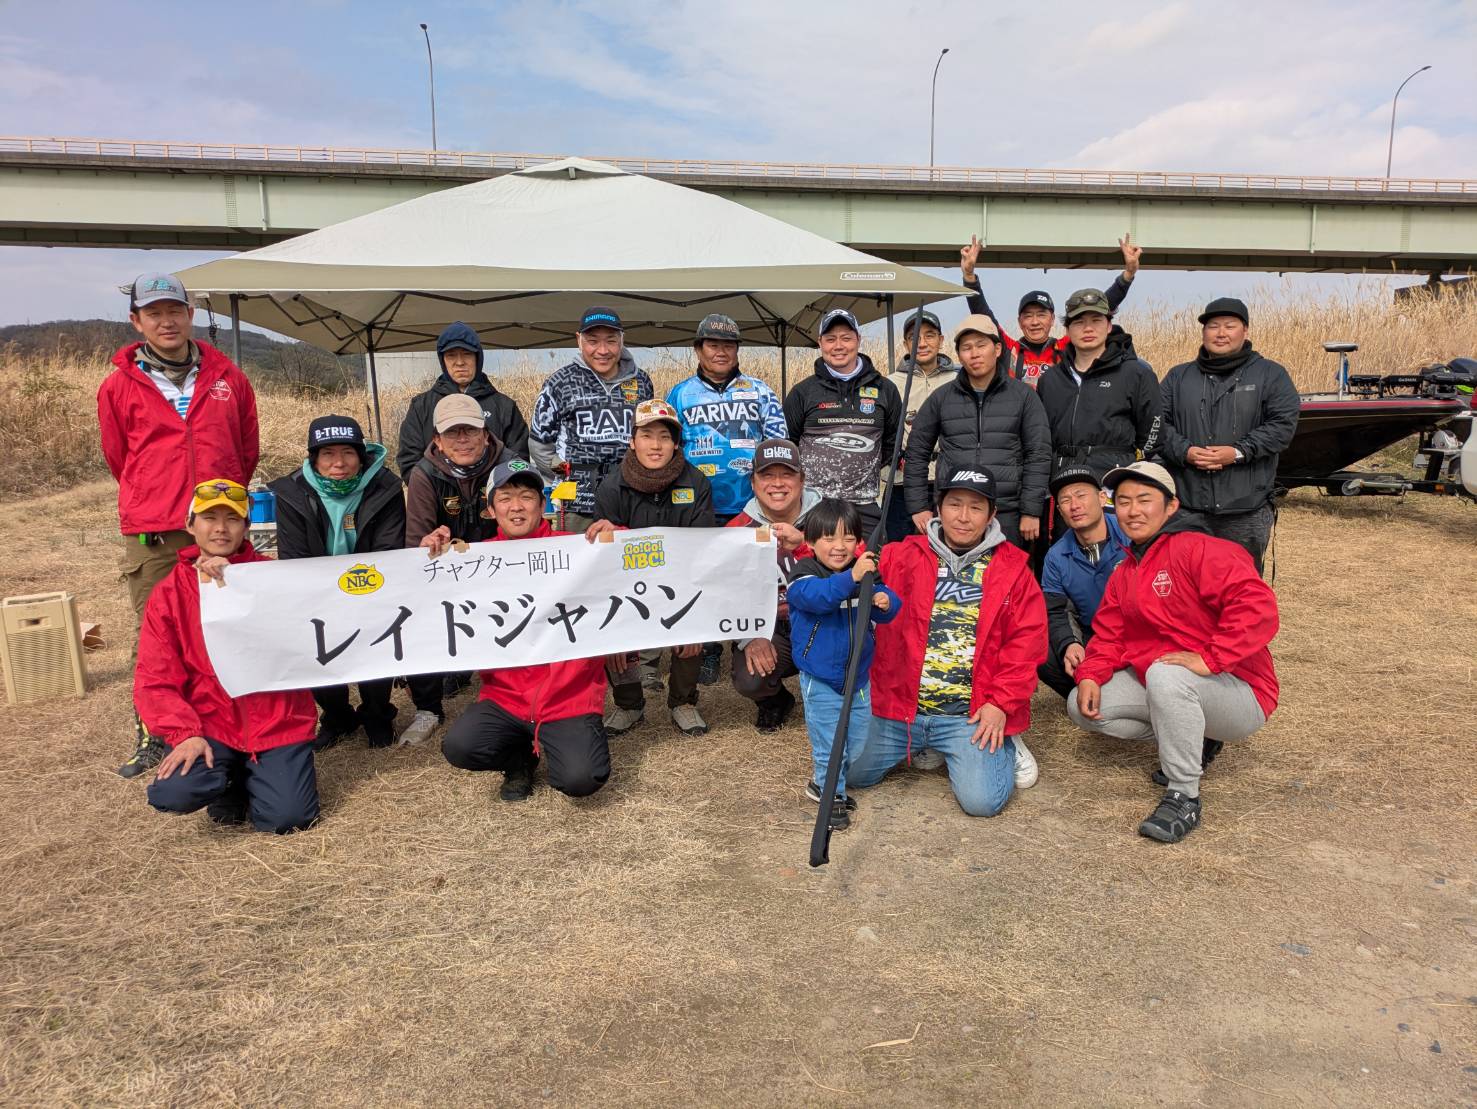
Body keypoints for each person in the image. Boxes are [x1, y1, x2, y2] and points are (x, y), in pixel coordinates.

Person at [99, 272, 260, 779]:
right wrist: (157, 496)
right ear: (136, 321)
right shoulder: (119, 385)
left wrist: (218, 513)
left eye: (174, 310)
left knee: (228, 620)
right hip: (155, 531)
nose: (166, 321)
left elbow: (245, 449)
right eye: (153, 313)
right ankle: (156, 733)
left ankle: (236, 720)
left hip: (219, 525)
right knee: (155, 631)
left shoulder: (227, 378)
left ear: (190, 315)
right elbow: (118, 457)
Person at [1069, 462, 1280, 844]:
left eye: (1145, 500)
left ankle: (1184, 794)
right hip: (1175, 684)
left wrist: (1212, 658)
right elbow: (1109, 636)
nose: (1133, 510)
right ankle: (1192, 735)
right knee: (1082, 706)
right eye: (1125, 501)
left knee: (1165, 675)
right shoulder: (1126, 569)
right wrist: (1090, 673)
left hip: (1240, 690)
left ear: (1171, 507)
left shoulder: (1204, 549)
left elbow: (1257, 608)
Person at [850, 466, 1048, 816]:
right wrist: (801, 545)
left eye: (976, 507)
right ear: (939, 508)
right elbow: (844, 558)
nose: (964, 517)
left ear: (991, 515)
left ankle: (1006, 739)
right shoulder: (900, 554)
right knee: (849, 773)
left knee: (981, 803)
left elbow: (1027, 644)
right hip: (899, 710)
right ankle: (926, 746)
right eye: (955, 504)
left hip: (968, 715)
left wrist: (1001, 703)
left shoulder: (1013, 569)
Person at [139, 479, 319, 834]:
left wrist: (238, 581)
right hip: (211, 722)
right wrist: (185, 733)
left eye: (233, 519)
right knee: (175, 792)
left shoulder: (272, 578)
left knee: (288, 819)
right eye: (209, 517)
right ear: (190, 525)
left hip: (276, 719)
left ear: (247, 527)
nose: (221, 528)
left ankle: (257, 775)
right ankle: (228, 779)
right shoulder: (169, 594)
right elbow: (154, 679)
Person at [437, 460, 611, 801]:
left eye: (527, 496)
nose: (516, 506)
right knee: (460, 747)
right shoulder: (473, 561)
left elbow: (632, 568)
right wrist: (429, 553)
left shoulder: (577, 549)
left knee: (582, 779)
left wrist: (615, 534)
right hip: (505, 697)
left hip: (569, 698)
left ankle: (568, 742)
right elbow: (422, 596)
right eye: (505, 498)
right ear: (490, 510)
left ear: (542, 505)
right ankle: (519, 761)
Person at [270, 416, 406, 750]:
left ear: (361, 456)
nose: (339, 463)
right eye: (328, 453)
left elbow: (389, 547)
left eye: (348, 452)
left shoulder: (386, 487)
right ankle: (337, 716)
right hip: (317, 591)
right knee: (318, 650)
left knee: (377, 643)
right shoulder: (290, 492)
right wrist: (323, 593)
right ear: (313, 458)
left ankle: (377, 715)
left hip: (371, 584)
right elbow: (294, 556)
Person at [666, 313, 788, 684]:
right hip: (699, 505)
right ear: (698, 349)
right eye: (713, 345)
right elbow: (671, 449)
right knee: (703, 577)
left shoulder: (759, 391)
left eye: (729, 345)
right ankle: (708, 648)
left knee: (750, 578)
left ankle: (748, 638)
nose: (721, 352)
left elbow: (779, 444)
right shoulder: (680, 393)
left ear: (737, 350)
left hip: (749, 505)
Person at [585, 400, 716, 737]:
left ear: (676, 443)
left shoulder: (696, 483)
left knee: (692, 631)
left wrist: (693, 619)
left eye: (664, 437)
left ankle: (683, 701)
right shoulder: (612, 487)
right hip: (628, 585)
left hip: (681, 580)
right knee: (612, 636)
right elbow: (605, 562)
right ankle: (629, 704)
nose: (655, 445)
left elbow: (701, 549)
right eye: (646, 436)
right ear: (632, 441)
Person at [1157, 297, 1300, 574]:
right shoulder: (1178, 377)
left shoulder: (1271, 374)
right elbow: (1156, 425)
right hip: (1187, 508)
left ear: (1245, 331)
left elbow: (1282, 426)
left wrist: (1237, 452)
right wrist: (1184, 450)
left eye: (1229, 326)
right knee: (1185, 584)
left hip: (1246, 509)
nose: (1221, 333)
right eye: (1213, 326)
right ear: (1203, 332)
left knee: (1240, 586)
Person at [786, 499, 901, 832]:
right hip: (821, 678)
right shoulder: (803, 574)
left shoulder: (865, 571)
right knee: (829, 742)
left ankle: (826, 784)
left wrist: (884, 600)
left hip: (859, 677)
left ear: (858, 542)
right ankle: (830, 794)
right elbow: (817, 598)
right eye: (829, 538)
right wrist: (852, 576)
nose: (839, 547)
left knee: (856, 739)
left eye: (848, 538)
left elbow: (889, 606)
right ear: (809, 542)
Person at [401, 393, 509, 746]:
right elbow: (414, 544)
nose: (462, 440)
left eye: (470, 431)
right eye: (452, 433)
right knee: (419, 614)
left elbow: (526, 521)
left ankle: (515, 694)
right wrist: (429, 542)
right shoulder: (424, 474)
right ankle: (427, 708)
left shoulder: (510, 464)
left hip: (500, 564)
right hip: (447, 570)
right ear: (437, 440)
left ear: (486, 434)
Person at [902, 314, 1051, 549]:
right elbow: (916, 453)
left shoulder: (1024, 397)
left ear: (998, 349)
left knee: (1004, 582)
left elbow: (1039, 454)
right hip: (952, 514)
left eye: (981, 345)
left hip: (1006, 512)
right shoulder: (942, 398)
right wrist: (919, 507)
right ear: (959, 354)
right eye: (966, 347)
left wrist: (1031, 510)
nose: (974, 353)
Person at [959, 234, 1142, 389]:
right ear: (1019, 321)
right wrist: (969, 277)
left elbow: (1099, 309)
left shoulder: (1067, 347)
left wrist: (1127, 276)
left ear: (1052, 319)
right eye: (1028, 316)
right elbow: (983, 316)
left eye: (1041, 315)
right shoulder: (1009, 350)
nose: (1035, 322)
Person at [726, 439, 822, 732]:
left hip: (823, 622)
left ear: (802, 480)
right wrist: (750, 637)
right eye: (767, 475)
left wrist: (805, 543)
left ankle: (833, 703)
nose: (777, 484)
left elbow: (857, 563)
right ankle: (775, 700)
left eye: (787, 474)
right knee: (750, 678)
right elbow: (725, 595)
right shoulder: (735, 529)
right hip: (772, 627)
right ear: (753, 483)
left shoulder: (829, 516)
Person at [529, 307, 654, 532]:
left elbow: (650, 436)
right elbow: (539, 443)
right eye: (593, 341)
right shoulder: (559, 382)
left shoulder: (642, 382)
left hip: (630, 494)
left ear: (622, 340)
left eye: (611, 341)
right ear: (579, 340)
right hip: (577, 502)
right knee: (579, 562)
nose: (603, 350)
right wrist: (565, 473)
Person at [783, 307, 903, 540]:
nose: (838, 346)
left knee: (871, 571)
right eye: (830, 339)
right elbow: (789, 446)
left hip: (865, 505)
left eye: (846, 338)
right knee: (815, 572)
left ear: (858, 340)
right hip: (814, 506)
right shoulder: (802, 392)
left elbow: (891, 444)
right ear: (820, 343)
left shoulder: (885, 389)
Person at [1035, 288, 1162, 481]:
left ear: (1109, 326)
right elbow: (1041, 438)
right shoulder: (1050, 380)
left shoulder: (1136, 374)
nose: (1088, 329)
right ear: (1067, 330)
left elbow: (1153, 435)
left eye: (1096, 320)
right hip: (1062, 483)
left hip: (1115, 482)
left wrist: (1129, 470)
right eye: (1079, 322)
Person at [1037, 466, 1130, 698]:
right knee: (1039, 651)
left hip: (1137, 632)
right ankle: (1089, 694)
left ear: (1101, 497)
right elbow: (1058, 611)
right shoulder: (1056, 556)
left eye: (1081, 495)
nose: (1074, 505)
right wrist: (1070, 643)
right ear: (1059, 510)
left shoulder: (1131, 532)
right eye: (1065, 500)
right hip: (1093, 634)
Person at [395, 322, 529, 481]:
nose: (459, 362)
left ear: (477, 357)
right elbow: (409, 461)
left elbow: (518, 460)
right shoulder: (421, 406)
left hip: (494, 499)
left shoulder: (504, 406)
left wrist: (494, 494)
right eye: (451, 355)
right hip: (439, 501)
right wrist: (440, 491)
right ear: (442, 360)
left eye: (466, 354)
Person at [884, 309, 957, 543]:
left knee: (944, 548)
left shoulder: (958, 380)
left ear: (941, 340)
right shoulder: (890, 384)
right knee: (900, 548)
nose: (922, 343)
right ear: (906, 343)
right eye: (914, 337)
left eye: (930, 335)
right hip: (902, 482)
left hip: (947, 480)